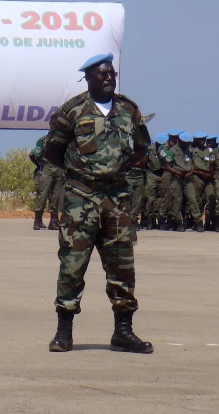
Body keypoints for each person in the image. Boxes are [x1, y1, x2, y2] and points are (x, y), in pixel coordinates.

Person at [44, 52, 152, 354]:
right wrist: (83, 175)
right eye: (102, 74)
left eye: (111, 73)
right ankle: (63, 333)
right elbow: (53, 151)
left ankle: (123, 332)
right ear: (88, 78)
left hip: (117, 199)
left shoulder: (128, 110)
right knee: (72, 266)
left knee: (122, 267)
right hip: (81, 199)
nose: (108, 78)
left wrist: (115, 172)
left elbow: (141, 147)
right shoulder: (73, 110)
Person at [162, 131, 204, 232]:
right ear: (180, 141)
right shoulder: (172, 151)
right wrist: (176, 172)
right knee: (177, 200)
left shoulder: (190, 150)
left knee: (192, 199)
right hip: (176, 178)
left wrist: (190, 173)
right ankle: (178, 222)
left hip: (188, 178)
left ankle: (198, 221)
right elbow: (166, 166)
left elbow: (193, 164)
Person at [29, 134, 64, 230]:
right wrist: (38, 164)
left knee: (56, 195)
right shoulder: (43, 139)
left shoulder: (64, 138)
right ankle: (38, 220)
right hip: (48, 168)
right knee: (43, 194)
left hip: (58, 168)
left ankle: (53, 220)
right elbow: (33, 154)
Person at [143, 132, 167, 230]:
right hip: (151, 174)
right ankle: (150, 219)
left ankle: (160, 219)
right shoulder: (150, 149)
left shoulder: (165, 149)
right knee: (150, 199)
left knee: (161, 199)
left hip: (162, 175)